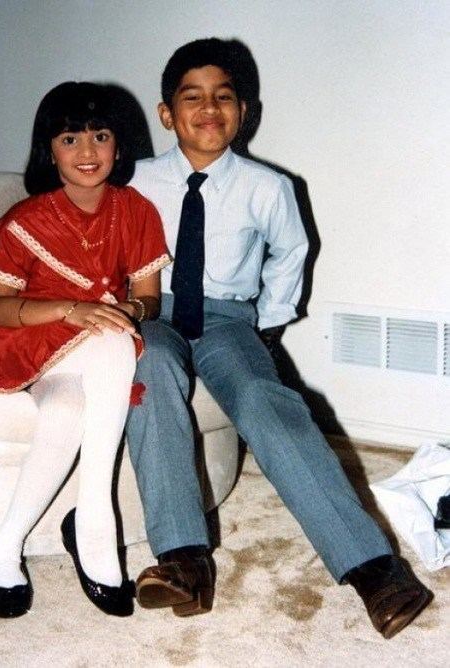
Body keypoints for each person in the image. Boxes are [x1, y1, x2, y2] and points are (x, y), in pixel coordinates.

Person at [125, 38, 433, 638]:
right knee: (150, 370)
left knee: (267, 401)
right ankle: (183, 560)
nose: (209, 109)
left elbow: (291, 253)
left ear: (243, 112)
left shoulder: (268, 187)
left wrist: (266, 324)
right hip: (152, 310)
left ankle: (374, 569)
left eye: (224, 97)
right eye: (193, 97)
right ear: (167, 113)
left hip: (229, 320)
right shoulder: (134, 180)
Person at [0, 81, 170, 618]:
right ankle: (95, 522)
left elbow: (148, 299)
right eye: (69, 140)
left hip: (98, 342)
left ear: (119, 145)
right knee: (108, 339)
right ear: (48, 150)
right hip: (30, 337)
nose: (87, 153)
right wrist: (72, 309)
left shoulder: (138, 211)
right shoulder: (23, 221)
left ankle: (4, 546)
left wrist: (130, 312)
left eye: (100, 137)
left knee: (67, 410)